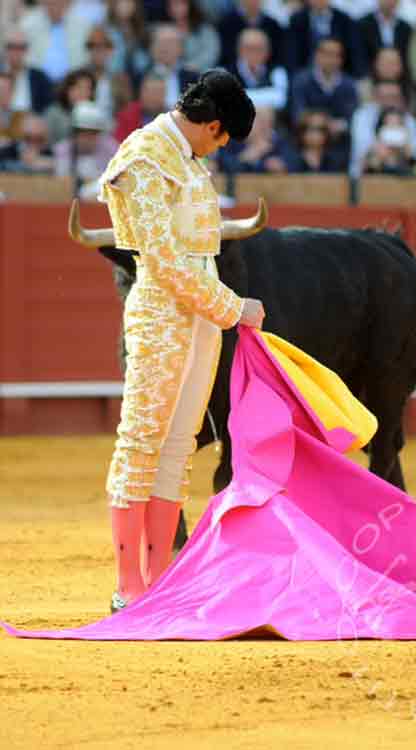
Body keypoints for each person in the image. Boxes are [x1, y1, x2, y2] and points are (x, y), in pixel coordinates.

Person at [95, 69, 265, 611]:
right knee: (142, 442)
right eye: (222, 139)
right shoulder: (144, 156)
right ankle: (129, 588)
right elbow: (164, 260)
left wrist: (218, 312)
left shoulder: (189, 163)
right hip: (160, 315)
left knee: (175, 449)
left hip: (198, 317)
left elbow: (199, 255)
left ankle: (160, 583)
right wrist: (232, 308)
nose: (218, 150)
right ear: (212, 125)